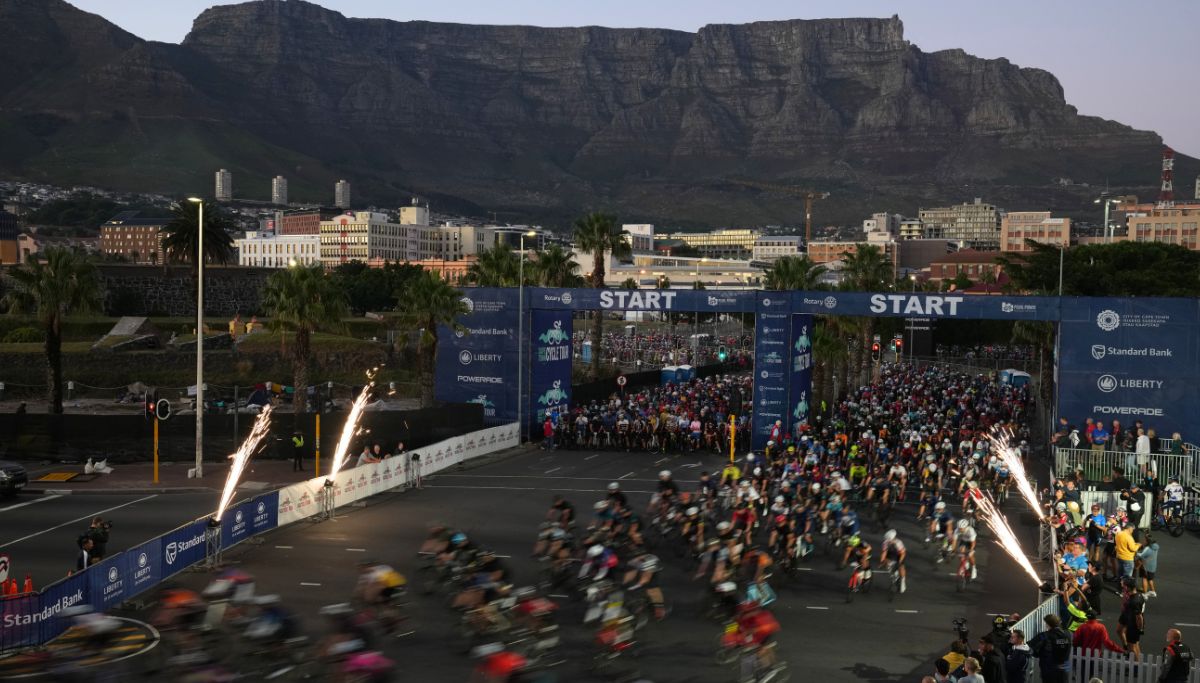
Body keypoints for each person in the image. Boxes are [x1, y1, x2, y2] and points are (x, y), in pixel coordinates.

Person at [1028, 613, 1072, 683]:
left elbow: (1030, 647)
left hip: (1049, 670)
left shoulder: (1044, 635)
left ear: (1048, 624)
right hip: (1064, 669)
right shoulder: (1068, 634)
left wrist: (1037, 654)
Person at [1118, 577, 1146, 656]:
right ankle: (1135, 662)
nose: (1121, 585)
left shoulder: (1134, 602)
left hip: (1133, 625)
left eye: (1123, 585)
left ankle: (1136, 666)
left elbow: (1139, 617)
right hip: (1129, 617)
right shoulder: (1137, 595)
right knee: (1133, 645)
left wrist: (1139, 629)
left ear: (1127, 587)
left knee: (1133, 647)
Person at [1137, 533, 1159, 598]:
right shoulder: (1156, 546)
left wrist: (1135, 552)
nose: (1144, 541)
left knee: (1144, 578)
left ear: (1147, 541)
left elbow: (1141, 555)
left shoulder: (1148, 548)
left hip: (1146, 566)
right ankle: (1153, 591)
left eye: (1145, 540)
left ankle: (1145, 593)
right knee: (1150, 579)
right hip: (1153, 567)